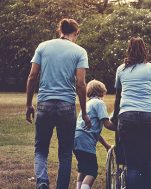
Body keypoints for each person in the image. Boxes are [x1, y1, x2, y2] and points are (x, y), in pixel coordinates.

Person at [25, 18, 91, 189]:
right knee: (65, 153)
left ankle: (42, 183)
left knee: (41, 150)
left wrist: (28, 105)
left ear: (59, 31)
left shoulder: (43, 46)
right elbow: (81, 83)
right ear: (76, 33)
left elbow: (32, 76)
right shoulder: (80, 51)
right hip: (67, 106)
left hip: (44, 104)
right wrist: (84, 112)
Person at [112, 37, 151, 189]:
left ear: (128, 50)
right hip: (150, 116)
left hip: (128, 117)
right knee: (148, 160)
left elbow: (117, 98)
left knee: (132, 164)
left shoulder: (121, 69)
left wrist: (115, 118)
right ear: (144, 50)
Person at [74, 80, 116, 189]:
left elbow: (94, 131)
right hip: (85, 141)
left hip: (76, 139)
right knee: (92, 171)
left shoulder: (87, 104)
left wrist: (106, 145)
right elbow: (107, 124)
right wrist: (120, 129)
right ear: (101, 91)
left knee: (83, 169)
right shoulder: (99, 103)